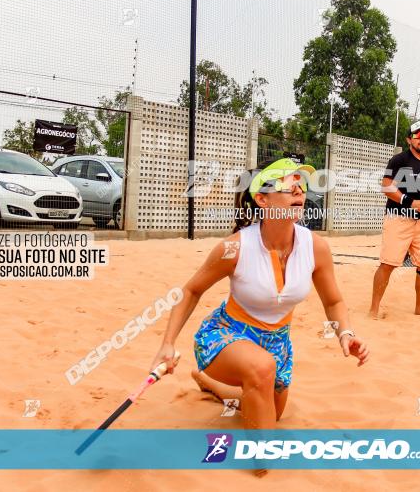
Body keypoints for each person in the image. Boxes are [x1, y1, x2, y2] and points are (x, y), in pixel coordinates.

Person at [151, 157, 370, 432]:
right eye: (289, 186)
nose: (300, 191)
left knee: (273, 411)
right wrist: (168, 343)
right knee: (262, 369)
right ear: (263, 200)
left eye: (301, 185)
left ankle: (211, 385)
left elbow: (334, 301)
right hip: (227, 336)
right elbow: (191, 290)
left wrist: (345, 334)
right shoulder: (235, 248)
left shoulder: (316, 247)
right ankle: (261, 458)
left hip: (277, 343)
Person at [369, 121, 420, 318]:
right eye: (417, 135)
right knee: (388, 264)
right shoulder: (399, 160)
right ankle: (373, 309)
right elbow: (386, 187)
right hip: (398, 219)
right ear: (409, 139)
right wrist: (409, 201)